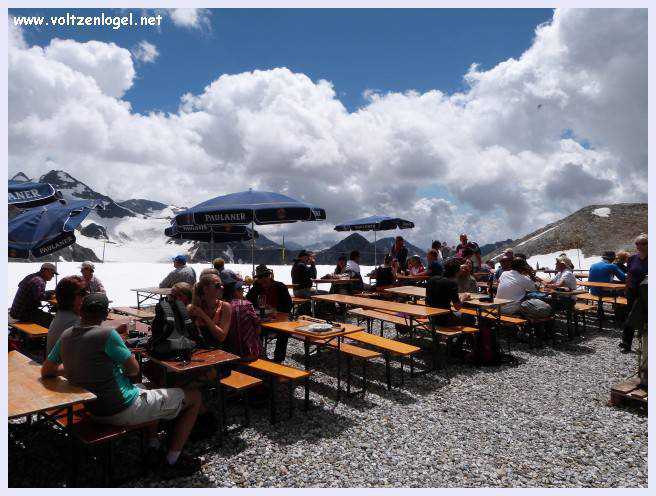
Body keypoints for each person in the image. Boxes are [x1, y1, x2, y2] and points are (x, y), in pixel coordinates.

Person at [41, 294, 203, 478]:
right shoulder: (107, 335)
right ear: (105, 314)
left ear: (81, 311)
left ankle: (153, 444)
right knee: (194, 396)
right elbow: (134, 370)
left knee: (148, 387)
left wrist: (77, 366)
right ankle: (173, 460)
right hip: (120, 409)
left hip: (93, 409)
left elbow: (47, 370)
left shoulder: (67, 334)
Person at [246, 265, 292, 362]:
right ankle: (259, 355)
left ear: (269, 276)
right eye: (260, 277)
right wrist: (258, 309)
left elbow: (288, 305)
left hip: (278, 319)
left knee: (284, 333)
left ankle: (278, 360)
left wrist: (275, 309)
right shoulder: (255, 289)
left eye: (265, 276)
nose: (263, 280)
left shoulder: (280, 287)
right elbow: (248, 303)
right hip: (261, 319)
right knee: (254, 330)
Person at [222, 277, 262, 361]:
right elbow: (258, 327)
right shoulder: (246, 305)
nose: (243, 291)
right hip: (248, 353)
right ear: (235, 292)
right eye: (241, 289)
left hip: (228, 352)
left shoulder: (221, 306)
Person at [187, 273, 231, 348]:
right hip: (199, 349)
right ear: (206, 289)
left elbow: (221, 337)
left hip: (220, 350)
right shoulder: (193, 308)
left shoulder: (225, 307)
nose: (222, 287)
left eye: (221, 284)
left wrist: (203, 315)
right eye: (217, 285)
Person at [621, 234, 648, 352]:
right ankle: (626, 343)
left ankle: (646, 343)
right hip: (632, 291)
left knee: (647, 316)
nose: (639, 246)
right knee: (630, 316)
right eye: (637, 243)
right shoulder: (632, 258)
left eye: (643, 243)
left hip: (647, 291)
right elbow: (629, 275)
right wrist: (626, 288)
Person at [425, 258, 471, 326]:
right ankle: (465, 336)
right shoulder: (451, 283)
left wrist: (458, 267)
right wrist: (464, 297)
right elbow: (457, 307)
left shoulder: (431, 280)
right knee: (470, 317)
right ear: (457, 272)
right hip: (446, 319)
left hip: (432, 317)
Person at [46, 276, 86, 355]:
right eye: (82, 293)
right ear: (70, 297)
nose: (85, 297)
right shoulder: (75, 325)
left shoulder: (61, 315)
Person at [10, 262, 58, 327]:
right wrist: (52, 296)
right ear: (46, 271)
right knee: (53, 321)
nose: (53, 276)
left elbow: (32, 291)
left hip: (16, 310)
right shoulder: (38, 280)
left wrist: (50, 292)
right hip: (23, 313)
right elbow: (39, 297)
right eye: (52, 273)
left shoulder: (32, 276)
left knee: (46, 316)